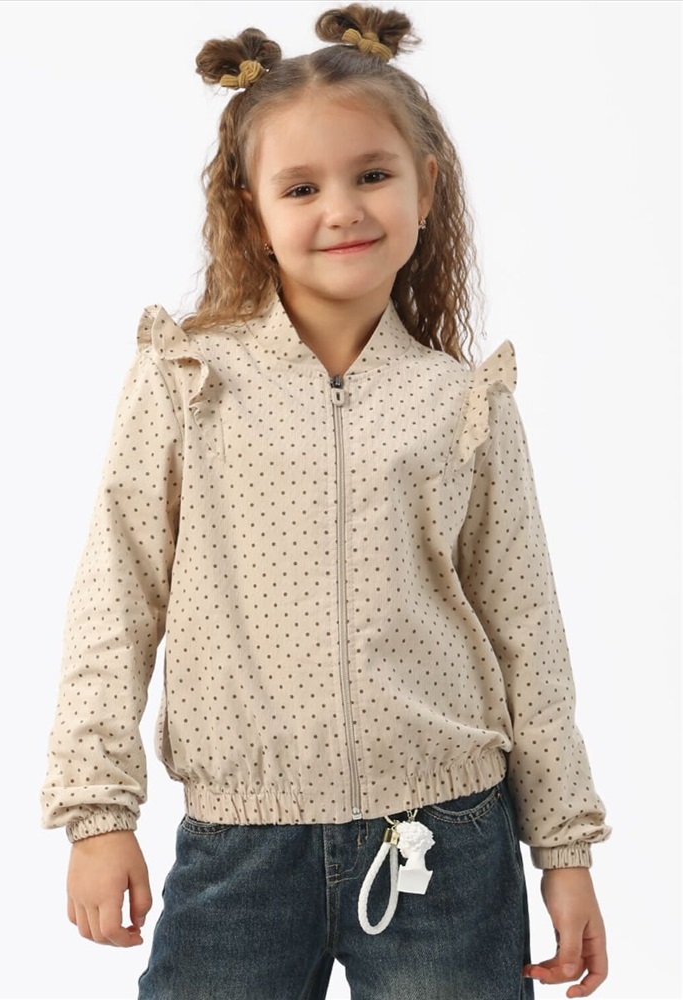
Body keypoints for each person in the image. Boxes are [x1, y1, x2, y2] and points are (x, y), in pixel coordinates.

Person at [39, 5, 613, 998]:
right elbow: (116, 595)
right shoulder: (188, 380)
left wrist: (564, 850)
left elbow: (526, 628)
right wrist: (97, 813)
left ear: (426, 184)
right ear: (251, 211)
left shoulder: (462, 401)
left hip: (445, 842)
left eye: (372, 175)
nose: (341, 209)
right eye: (301, 187)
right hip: (240, 848)